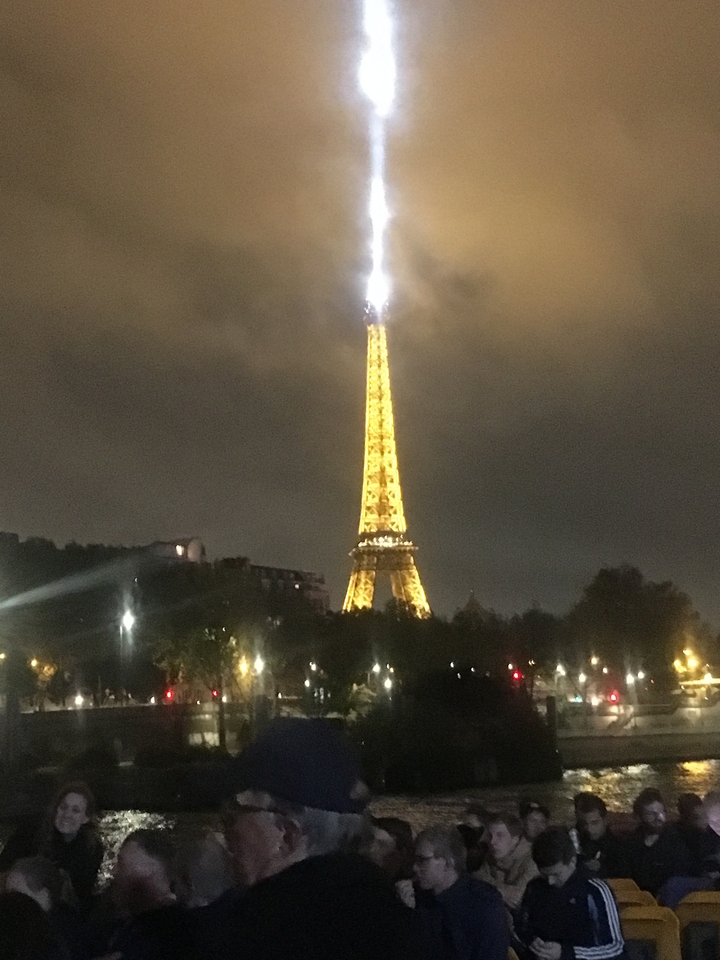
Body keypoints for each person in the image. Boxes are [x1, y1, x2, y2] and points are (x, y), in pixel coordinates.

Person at [205, 717, 438, 960]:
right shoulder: (412, 931)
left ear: (287, 836)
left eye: (233, 815)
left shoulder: (242, 938)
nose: (225, 832)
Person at [516, 826, 624, 960]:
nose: (550, 881)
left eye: (556, 874)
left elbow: (616, 948)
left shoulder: (594, 890)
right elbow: (522, 927)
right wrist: (533, 942)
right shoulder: (535, 887)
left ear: (572, 861)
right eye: (544, 875)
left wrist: (567, 953)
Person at [0, 781, 104, 906]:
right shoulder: (29, 833)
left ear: (86, 817)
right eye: (63, 807)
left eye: (75, 810)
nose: (67, 814)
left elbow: (81, 896)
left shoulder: (92, 849)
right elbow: (3, 867)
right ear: (56, 809)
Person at [414, 825, 509, 960]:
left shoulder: (482, 905)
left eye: (422, 860)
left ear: (448, 862)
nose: (415, 867)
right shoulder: (420, 897)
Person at [104, 828, 200, 960]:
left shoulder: (168, 934)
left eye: (122, 864)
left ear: (152, 869)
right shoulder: (184, 923)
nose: (114, 872)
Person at [623, 787, 692, 896]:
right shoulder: (630, 845)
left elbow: (680, 876)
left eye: (661, 812)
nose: (658, 817)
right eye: (651, 814)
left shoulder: (676, 841)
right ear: (639, 817)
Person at [475, 813, 538, 913]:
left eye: (500, 835)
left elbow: (517, 899)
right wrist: (502, 891)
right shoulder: (492, 855)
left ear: (515, 839)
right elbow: (477, 878)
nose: (492, 842)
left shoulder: (532, 861)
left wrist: (488, 887)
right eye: (490, 836)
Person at [573, 793, 625, 879]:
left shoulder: (619, 847)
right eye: (584, 824)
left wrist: (601, 868)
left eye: (595, 823)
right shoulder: (576, 840)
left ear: (605, 820)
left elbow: (623, 875)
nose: (589, 829)